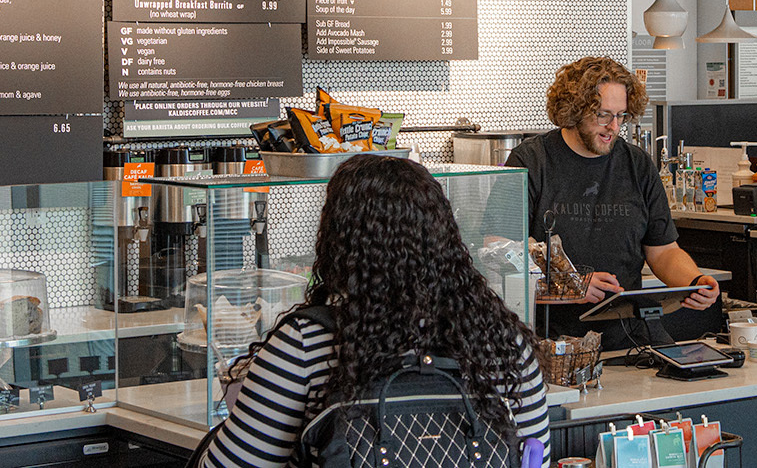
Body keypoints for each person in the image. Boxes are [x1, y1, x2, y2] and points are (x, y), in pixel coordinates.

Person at [200, 154, 550, 468]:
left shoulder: (307, 343)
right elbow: (537, 457)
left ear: (338, 244)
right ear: (446, 239)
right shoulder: (503, 343)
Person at [504, 56, 719, 347]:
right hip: (553, 344)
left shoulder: (637, 164)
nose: (613, 127)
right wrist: (571, 286)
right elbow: (500, 257)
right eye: (603, 115)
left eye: (621, 116)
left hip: (628, 337)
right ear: (573, 110)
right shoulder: (531, 161)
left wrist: (693, 282)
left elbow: (664, 251)